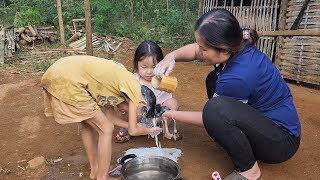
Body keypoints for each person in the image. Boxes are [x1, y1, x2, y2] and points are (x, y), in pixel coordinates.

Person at [155, 9, 301, 180]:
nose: (199, 52)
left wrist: (168, 113)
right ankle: (233, 137)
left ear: (223, 50)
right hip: (263, 122)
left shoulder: (238, 77)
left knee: (215, 110)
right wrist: (170, 57)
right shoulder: (234, 43)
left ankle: (249, 171)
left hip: (280, 142)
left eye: (203, 48)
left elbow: (210, 116)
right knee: (213, 80)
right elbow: (194, 50)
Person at [41, 55, 161, 180]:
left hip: (60, 72)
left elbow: (110, 118)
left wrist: (133, 125)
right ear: (143, 103)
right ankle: (103, 177)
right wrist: (149, 130)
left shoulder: (116, 88)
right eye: (139, 114)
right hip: (66, 79)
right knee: (106, 128)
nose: (129, 114)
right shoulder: (135, 89)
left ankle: (95, 170)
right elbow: (133, 130)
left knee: (88, 124)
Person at [115, 40, 179, 143]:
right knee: (126, 104)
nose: (149, 71)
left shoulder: (162, 81)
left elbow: (167, 102)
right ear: (137, 64)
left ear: (161, 65)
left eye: (154, 67)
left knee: (173, 103)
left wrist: (157, 107)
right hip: (137, 117)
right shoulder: (133, 80)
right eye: (144, 67)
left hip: (156, 117)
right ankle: (129, 128)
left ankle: (164, 128)